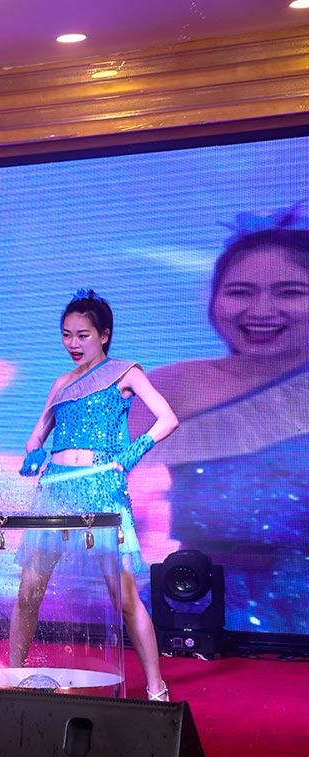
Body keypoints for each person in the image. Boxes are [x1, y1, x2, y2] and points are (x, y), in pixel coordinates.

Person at [130, 205, 309, 634]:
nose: (261, 310)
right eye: (240, 292)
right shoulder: (168, 386)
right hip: (188, 607)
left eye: (289, 292)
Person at [13, 290, 178, 701]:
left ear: (104, 335)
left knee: (124, 597)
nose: (73, 343)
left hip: (101, 487)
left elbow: (168, 418)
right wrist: (34, 452)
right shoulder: (61, 383)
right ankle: (14, 680)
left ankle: (156, 688)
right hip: (55, 489)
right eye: (66, 335)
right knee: (28, 589)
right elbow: (37, 434)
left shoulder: (125, 372)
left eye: (82, 335)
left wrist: (133, 452)